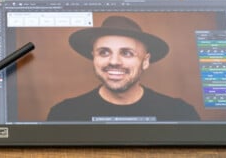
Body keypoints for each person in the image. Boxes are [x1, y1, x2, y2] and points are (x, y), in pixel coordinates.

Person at [47, 15, 200, 122]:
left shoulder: (180, 113)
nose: (114, 61)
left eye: (127, 53)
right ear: (94, 57)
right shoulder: (64, 114)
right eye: (104, 52)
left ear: (145, 61)